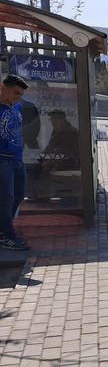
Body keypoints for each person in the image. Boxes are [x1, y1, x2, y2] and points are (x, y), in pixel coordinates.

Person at [0, 74, 30, 250]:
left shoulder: (16, 107)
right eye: (16, 93)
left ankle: (4, 230)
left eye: (20, 94)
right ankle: (7, 236)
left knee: (18, 195)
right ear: (3, 87)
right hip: (2, 160)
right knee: (6, 198)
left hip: (17, 159)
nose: (18, 97)